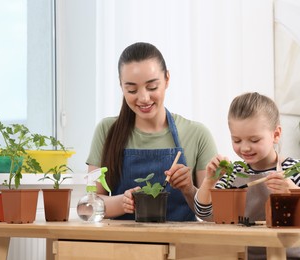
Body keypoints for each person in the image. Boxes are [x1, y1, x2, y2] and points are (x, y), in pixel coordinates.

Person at [86, 42, 217, 221]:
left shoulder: (197, 134)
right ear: (121, 86)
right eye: (131, 89)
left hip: (178, 245)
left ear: (167, 79)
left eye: (152, 87)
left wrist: (188, 189)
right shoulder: (106, 130)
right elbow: (89, 206)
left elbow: (214, 215)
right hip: (120, 246)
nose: (144, 98)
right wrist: (121, 202)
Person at [194, 92, 300, 259]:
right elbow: (204, 214)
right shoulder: (233, 174)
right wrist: (208, 182)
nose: (245, 148)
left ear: (276, 135)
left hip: (291, 256)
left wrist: (292, 190)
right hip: (244, 255)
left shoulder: (293, 169)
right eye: (237, 140)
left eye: (254, 140)